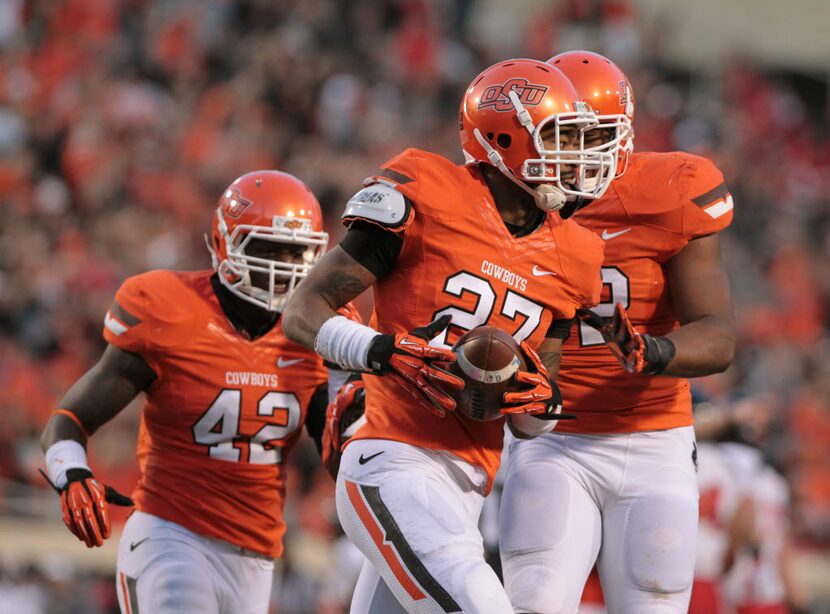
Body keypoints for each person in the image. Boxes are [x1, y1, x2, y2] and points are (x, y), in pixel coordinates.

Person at [282, 58, 605, 613]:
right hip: (390, 459)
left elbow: (534, 412)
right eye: (560, 138)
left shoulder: (576, 255)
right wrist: (380, 352)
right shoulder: (428, 190)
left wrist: (540, 402)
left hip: (467, 489)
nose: (575, 156)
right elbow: (303, 308)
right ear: (505, 137)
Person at [40, 170, 349, 614]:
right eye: (266, 248)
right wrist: (70, 472)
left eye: (296, 252)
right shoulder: (166, 307)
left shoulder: (319, 328)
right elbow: (70, 418)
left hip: (258, 555)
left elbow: (337, 450)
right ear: (225, 242)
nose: (283, 266)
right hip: (172, 534)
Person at [498, 50, 737, 614]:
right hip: (551, 437)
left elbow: (719, 335)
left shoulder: (672, 191)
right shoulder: (506, 195)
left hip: (654, 438)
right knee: (534, 600)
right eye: (561, 135)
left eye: (590, 135)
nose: (574, 154)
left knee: (652, 604)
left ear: (622, 134)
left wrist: (651, 351)